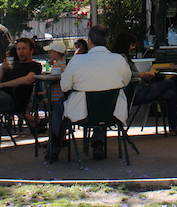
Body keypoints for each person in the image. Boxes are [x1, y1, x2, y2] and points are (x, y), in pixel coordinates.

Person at [45, 25, 131, 162]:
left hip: (81, 114)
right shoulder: (119, 60)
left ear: (89, 40)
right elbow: (126, 82)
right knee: (103, 100)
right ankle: (98, 144)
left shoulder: (77, 61)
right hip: (112, 112)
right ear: (107, 41)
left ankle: (53, 148)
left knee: (60, 106)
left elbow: (65, 86)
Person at [111, 31, 177, 136]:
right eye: (131, 44)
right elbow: (127, 74)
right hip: (134, 93)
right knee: (171, 82)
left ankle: (175, 127)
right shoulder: (121, 58)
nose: (132, 47)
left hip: (137, 91)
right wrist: (144, 74)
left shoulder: (118, 57)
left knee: (171, 94)